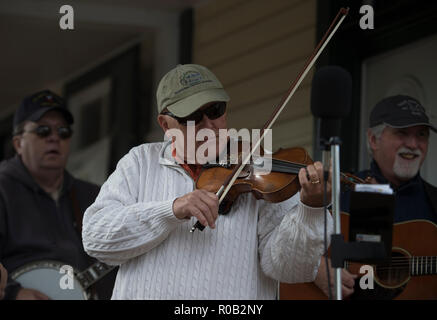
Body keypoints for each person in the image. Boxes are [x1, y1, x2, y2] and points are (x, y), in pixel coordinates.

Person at [82, 63, 334, 300]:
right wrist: (171, 210)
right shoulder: (140, 162)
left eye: (216, 111)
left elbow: (290, 268)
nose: (209, 125)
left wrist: (311, 210)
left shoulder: (259, 170)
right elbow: (96, 238)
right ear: (165, 124)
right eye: (192, 117)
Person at [314, 94, 437, 299]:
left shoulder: (433, 202)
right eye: (402, 133)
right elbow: (286, 246)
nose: (414, 144)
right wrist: (315, 269)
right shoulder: (340, 190)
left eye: (422, 134)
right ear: (373, 139)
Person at [0, 90, 116, 300]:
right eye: (43, 131)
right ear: (18, 143)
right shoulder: (3, 188)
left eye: (63, 132)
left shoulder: (93, 195)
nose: (54, 138)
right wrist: (13, 292)